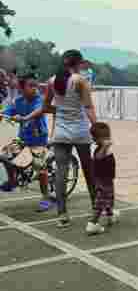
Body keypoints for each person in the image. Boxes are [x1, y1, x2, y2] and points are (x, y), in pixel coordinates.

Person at [27, 49, 98, 227]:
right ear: (79, 64)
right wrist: (96, 128)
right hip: (80, 132)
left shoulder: (52, 81)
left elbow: (46, 107)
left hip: (61, 132)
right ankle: (96, 208)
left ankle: (62, 216)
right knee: (89, 170)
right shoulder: (80, 81)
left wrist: (61, 110)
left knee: (61, 172)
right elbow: (88, 107)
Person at [0, 74, 51, 209]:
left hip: (38, 141)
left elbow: (38, 112)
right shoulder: (18, 101)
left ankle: (46, 197)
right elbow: (7, 112)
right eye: (31, 85)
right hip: (22, 139)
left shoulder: (40, 100)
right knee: (4, 156)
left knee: (40, 168)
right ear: (21, 88)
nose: (35, 88)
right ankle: (12, 181)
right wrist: (2, 115)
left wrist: (24, 118)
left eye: (35, 85)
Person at [86, 122, 118, 235]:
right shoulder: (101, 150)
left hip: (106, 178)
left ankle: (110, 215)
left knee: (109, 197)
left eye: (108, 136)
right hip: (103, 180)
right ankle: (92, 223)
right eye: (105, 137)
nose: (108, 139)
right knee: (101, 200)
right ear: (98, 139)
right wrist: (105, 146)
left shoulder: (101, 148)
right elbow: (99, 158)